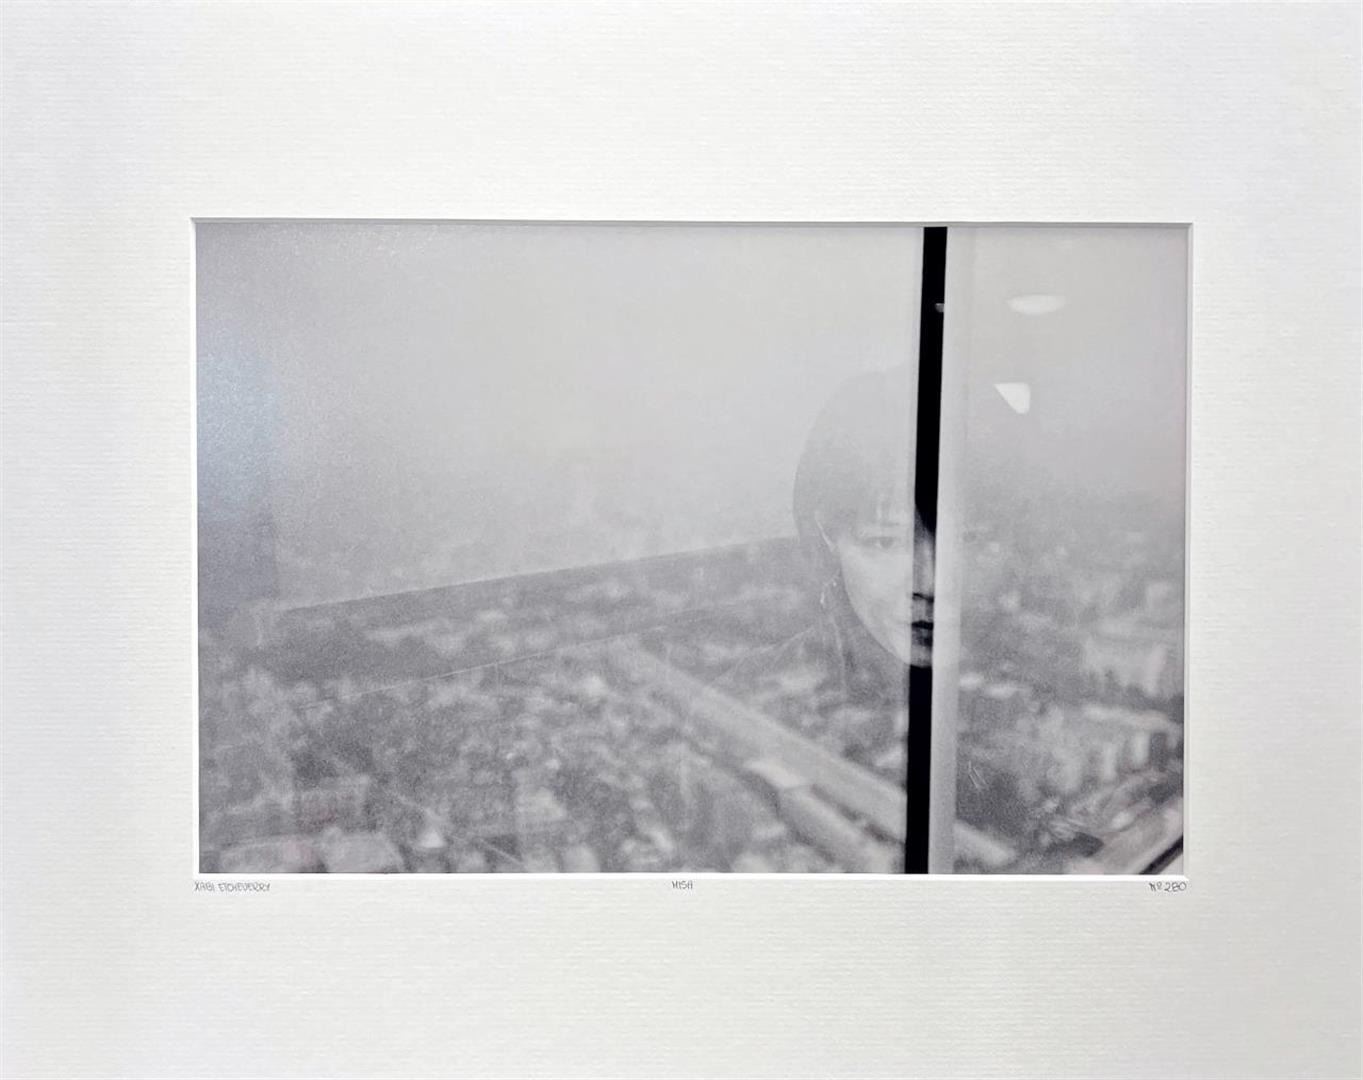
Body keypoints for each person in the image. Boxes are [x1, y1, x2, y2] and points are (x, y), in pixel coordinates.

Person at [718, 366, 935, 767]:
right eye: (885, 542)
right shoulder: (758, 689)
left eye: (968, 541)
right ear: (827, 537)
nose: (931, 581)